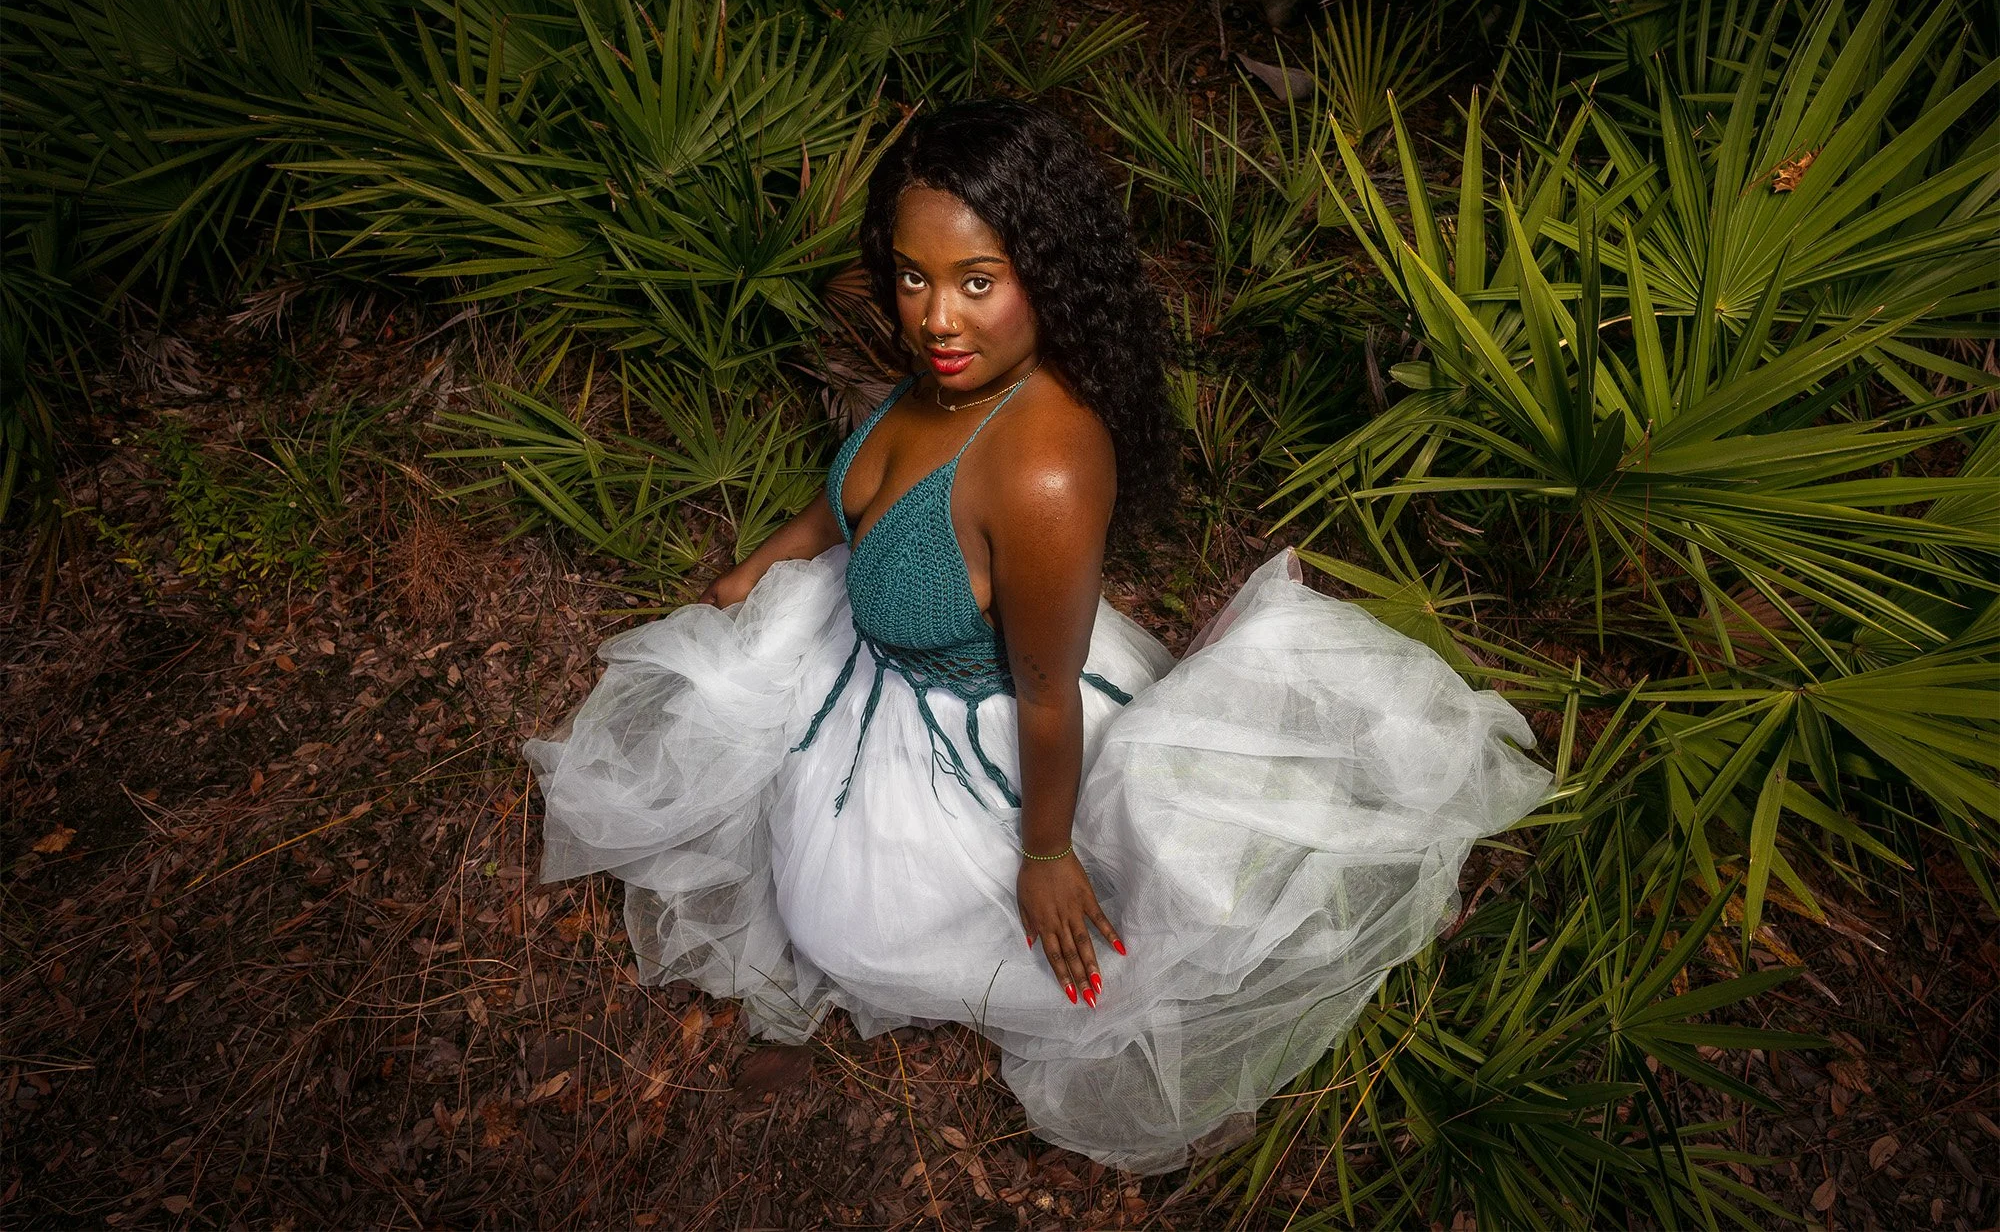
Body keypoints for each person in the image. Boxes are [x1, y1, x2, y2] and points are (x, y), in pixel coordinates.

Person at [528, 99, 1551, 1174]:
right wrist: (756, 568)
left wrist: (1047, 854)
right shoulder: (944, 378)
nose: (936, 318)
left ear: (1045, 272)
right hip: (873, 674)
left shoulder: (1044, 469)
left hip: (990, 730)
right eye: (913, 276)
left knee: (838, 927)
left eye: (978, 281)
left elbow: (1046, 696)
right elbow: (852, 501)